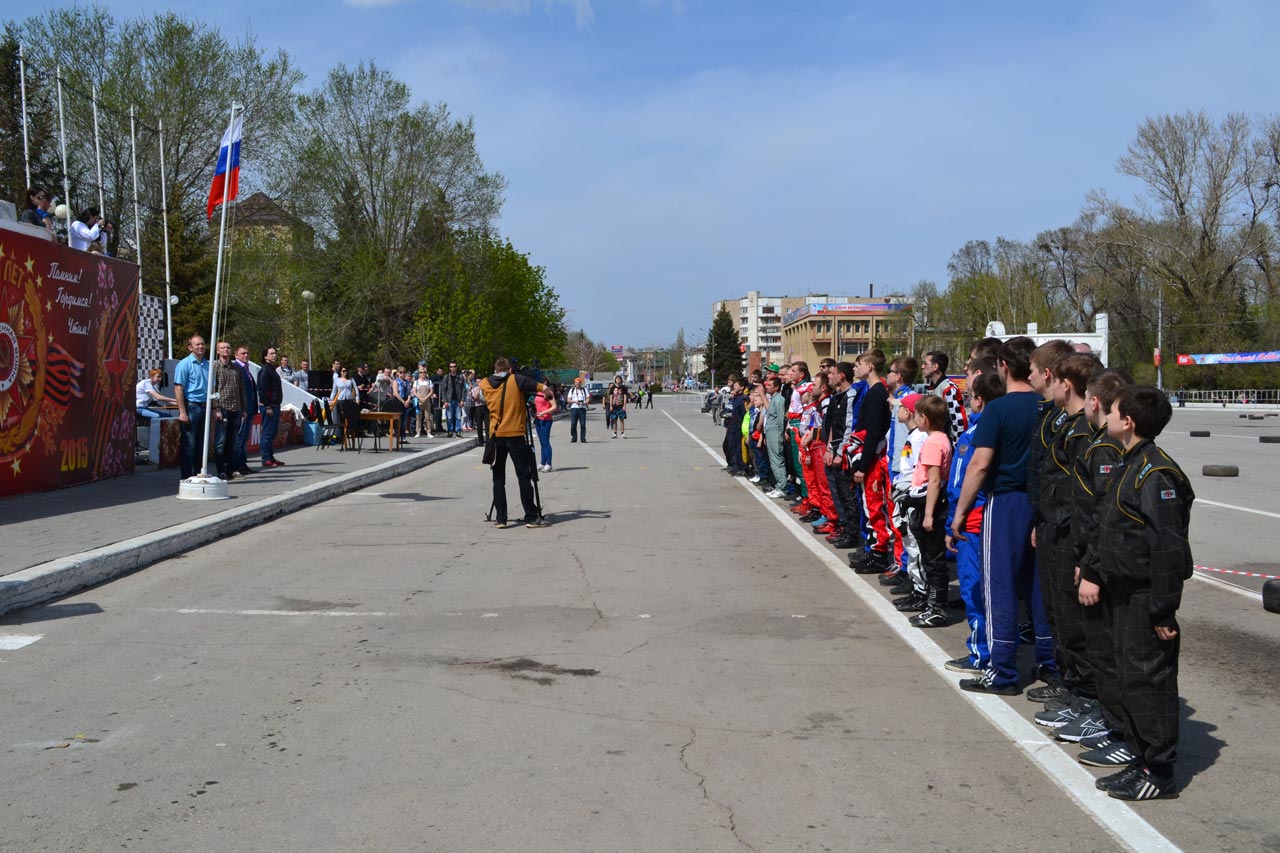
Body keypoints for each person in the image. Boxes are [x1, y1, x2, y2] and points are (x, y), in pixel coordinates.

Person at [1086, 386, 1193, 801]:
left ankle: (1160, 771)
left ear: (1128, 422)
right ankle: (1140, 756)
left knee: (1149, 681)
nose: (1107, 417)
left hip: (1145, 595)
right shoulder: (1129, 463)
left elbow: (1168, 549)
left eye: (1113, 412)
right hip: (1121, 589)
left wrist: (1163, 610)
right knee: (1129, 678)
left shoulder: (1156, 474)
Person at [951, 336, 1056, 696]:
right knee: (1038, 585)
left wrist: (960, 513)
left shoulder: (998, 409)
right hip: (1042, 501)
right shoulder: (1046, 406)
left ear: (1004, 367)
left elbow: (979, 464)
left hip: (1007, 500)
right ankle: (1050, 662)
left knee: (1000, 587)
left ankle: (1002, 670)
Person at [943, 371, 1005, 674]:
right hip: (996, 519)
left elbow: (960, 484)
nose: (968, 402)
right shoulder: (1002, 429)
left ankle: (982, 654)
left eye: (969, 396)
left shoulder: (975, 435)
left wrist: (952, 523)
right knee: (996, 591)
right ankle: (998, 650)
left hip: (973, 522)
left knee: (975, 589)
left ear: (979, 400)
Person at [480, 357, 551, 529]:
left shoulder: (485, 383)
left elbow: (477, 394)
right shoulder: (517, 380)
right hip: (514, 434)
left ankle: (501, 519)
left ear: (495, 369)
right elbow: (543, 388)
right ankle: (531, 516)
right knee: (524, 476)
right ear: (510, 370)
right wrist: (547, 393)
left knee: (498, 478)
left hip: (495, 435)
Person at [904, 395, 953, 628]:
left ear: (924, 418)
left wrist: (929, 514)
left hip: (929, 504)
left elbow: (933, 480)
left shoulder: (933, 443)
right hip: (931, 502)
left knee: (933, 561)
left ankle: (936, 608)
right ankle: (933, 605)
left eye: (916, 415)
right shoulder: (942, 438)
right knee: (931, 559)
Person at [848, 350, 893, 574]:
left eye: (859, 364)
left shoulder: (877, 392)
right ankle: (873, 547)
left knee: (873, 505)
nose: (855, 368)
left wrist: (863, 465)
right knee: (868, 505)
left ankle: (879, 554)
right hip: (868, 454)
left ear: (870, 366)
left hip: (873, 457)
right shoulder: (872, 390)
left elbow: (873, 431)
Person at [173, 335, 210, 479]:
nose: (201, 347)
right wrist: (182, 412)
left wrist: (214, 409)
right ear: (190, 347)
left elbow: (211, 388)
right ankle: (187, 477)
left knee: (201, 444)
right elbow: (178, 388)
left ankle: (198, 473)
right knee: (189, 444)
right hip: (192, 405)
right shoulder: (184, 364)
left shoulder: (207, 364)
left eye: (202, 344)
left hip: (205, 406)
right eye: (197, 344)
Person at [211, 341, 246, 480]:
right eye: (222, 348)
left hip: (236, 408)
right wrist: (217, 408)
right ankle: (221, 470)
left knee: (233, 441)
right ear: (218, 351)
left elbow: (241, 389)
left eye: (228, 347)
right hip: (222, 408)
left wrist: (244, 408)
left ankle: (232, 469)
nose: (225, 349)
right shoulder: (214, 367)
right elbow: (213, 389)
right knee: (220, 441)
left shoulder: (236, 368)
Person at [922, 350, 967, 439]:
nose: (922, 367)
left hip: (946, 441)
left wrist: (955, 444)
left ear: (935, 367)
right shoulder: (931, 387)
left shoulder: (948, 388)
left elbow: (958, 421)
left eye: (925, 364)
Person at [234, 346, 258, 477]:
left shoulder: (246, 369)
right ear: (236, 355)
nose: (246, 355)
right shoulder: (237, 368)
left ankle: (243, 464)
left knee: (244, 439)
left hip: (249, 408)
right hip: (241, 409)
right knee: (239, 438)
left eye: (247, 353)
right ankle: (238, 465)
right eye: (243, 353)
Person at [258, 346, 284, 468]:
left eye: (275, 353)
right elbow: (262, 389)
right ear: (265, 356)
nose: (274, 355)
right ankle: (266, 458)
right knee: (267, 433)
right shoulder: (264, 370)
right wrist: (267, 405)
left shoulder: (272, 369)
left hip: (275, 404)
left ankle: (270, 456)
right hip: (269, 406)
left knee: (273, 433)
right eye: (271, 353)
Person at [762, 377, 788, 498]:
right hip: (770, 432)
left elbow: (780, 418)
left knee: (777, 460)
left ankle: (782, 486)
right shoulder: (773, 399)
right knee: (773, 461)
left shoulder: (779, 400)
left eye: (770, 385)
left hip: (776, 432)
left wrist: (781, 434)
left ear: (776, 387)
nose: (767, 387)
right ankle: (778, 485)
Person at [440, 361, 468, 437]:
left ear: (456, 367)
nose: (453, 368)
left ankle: (458, 431)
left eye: (454, 366)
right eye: (451, 367)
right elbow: (443, 390)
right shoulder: (446, 377)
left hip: (458, 400)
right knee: (449, 417)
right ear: (449, 368)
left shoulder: (460, 377)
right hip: (449, 400)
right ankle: (450, 431)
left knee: (458, 416)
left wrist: (462, 400)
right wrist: (444, 400)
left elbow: (464, 389)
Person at [534, 387, 558, 472]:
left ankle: (549, 464)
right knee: (542, 442)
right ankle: (543, 463)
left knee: (545, 442)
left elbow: (554, 406)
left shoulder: (548, 392)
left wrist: (544, 412)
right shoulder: (537, 393)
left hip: (546, 419)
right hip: (538, 419)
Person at [413, 368, 435, 437]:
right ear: (419, 374)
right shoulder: (416, 382)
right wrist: (420, 398)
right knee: (418, 417)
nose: (423, 374)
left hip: (427, 400)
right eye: (421, 372)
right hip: (419, 400)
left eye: (424, 372)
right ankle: (418, 431)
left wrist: (425, 398)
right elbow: (414, 391)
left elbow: (431, 391)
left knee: (427, 417)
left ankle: (428, 432)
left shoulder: (429, 381)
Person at [566, 377, 588, 442]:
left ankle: (583, 438)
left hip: (582, 408)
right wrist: (575, 401)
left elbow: (588, 398)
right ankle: (574, 437)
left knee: (583, 424)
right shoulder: (572, 390)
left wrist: (585, 402)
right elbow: (568, 400)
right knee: (573, 424)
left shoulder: (584, 390)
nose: (577, 384)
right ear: (574, 383)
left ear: (581, 383)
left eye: (579, 383)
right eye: (576, 383)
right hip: (574, 408)